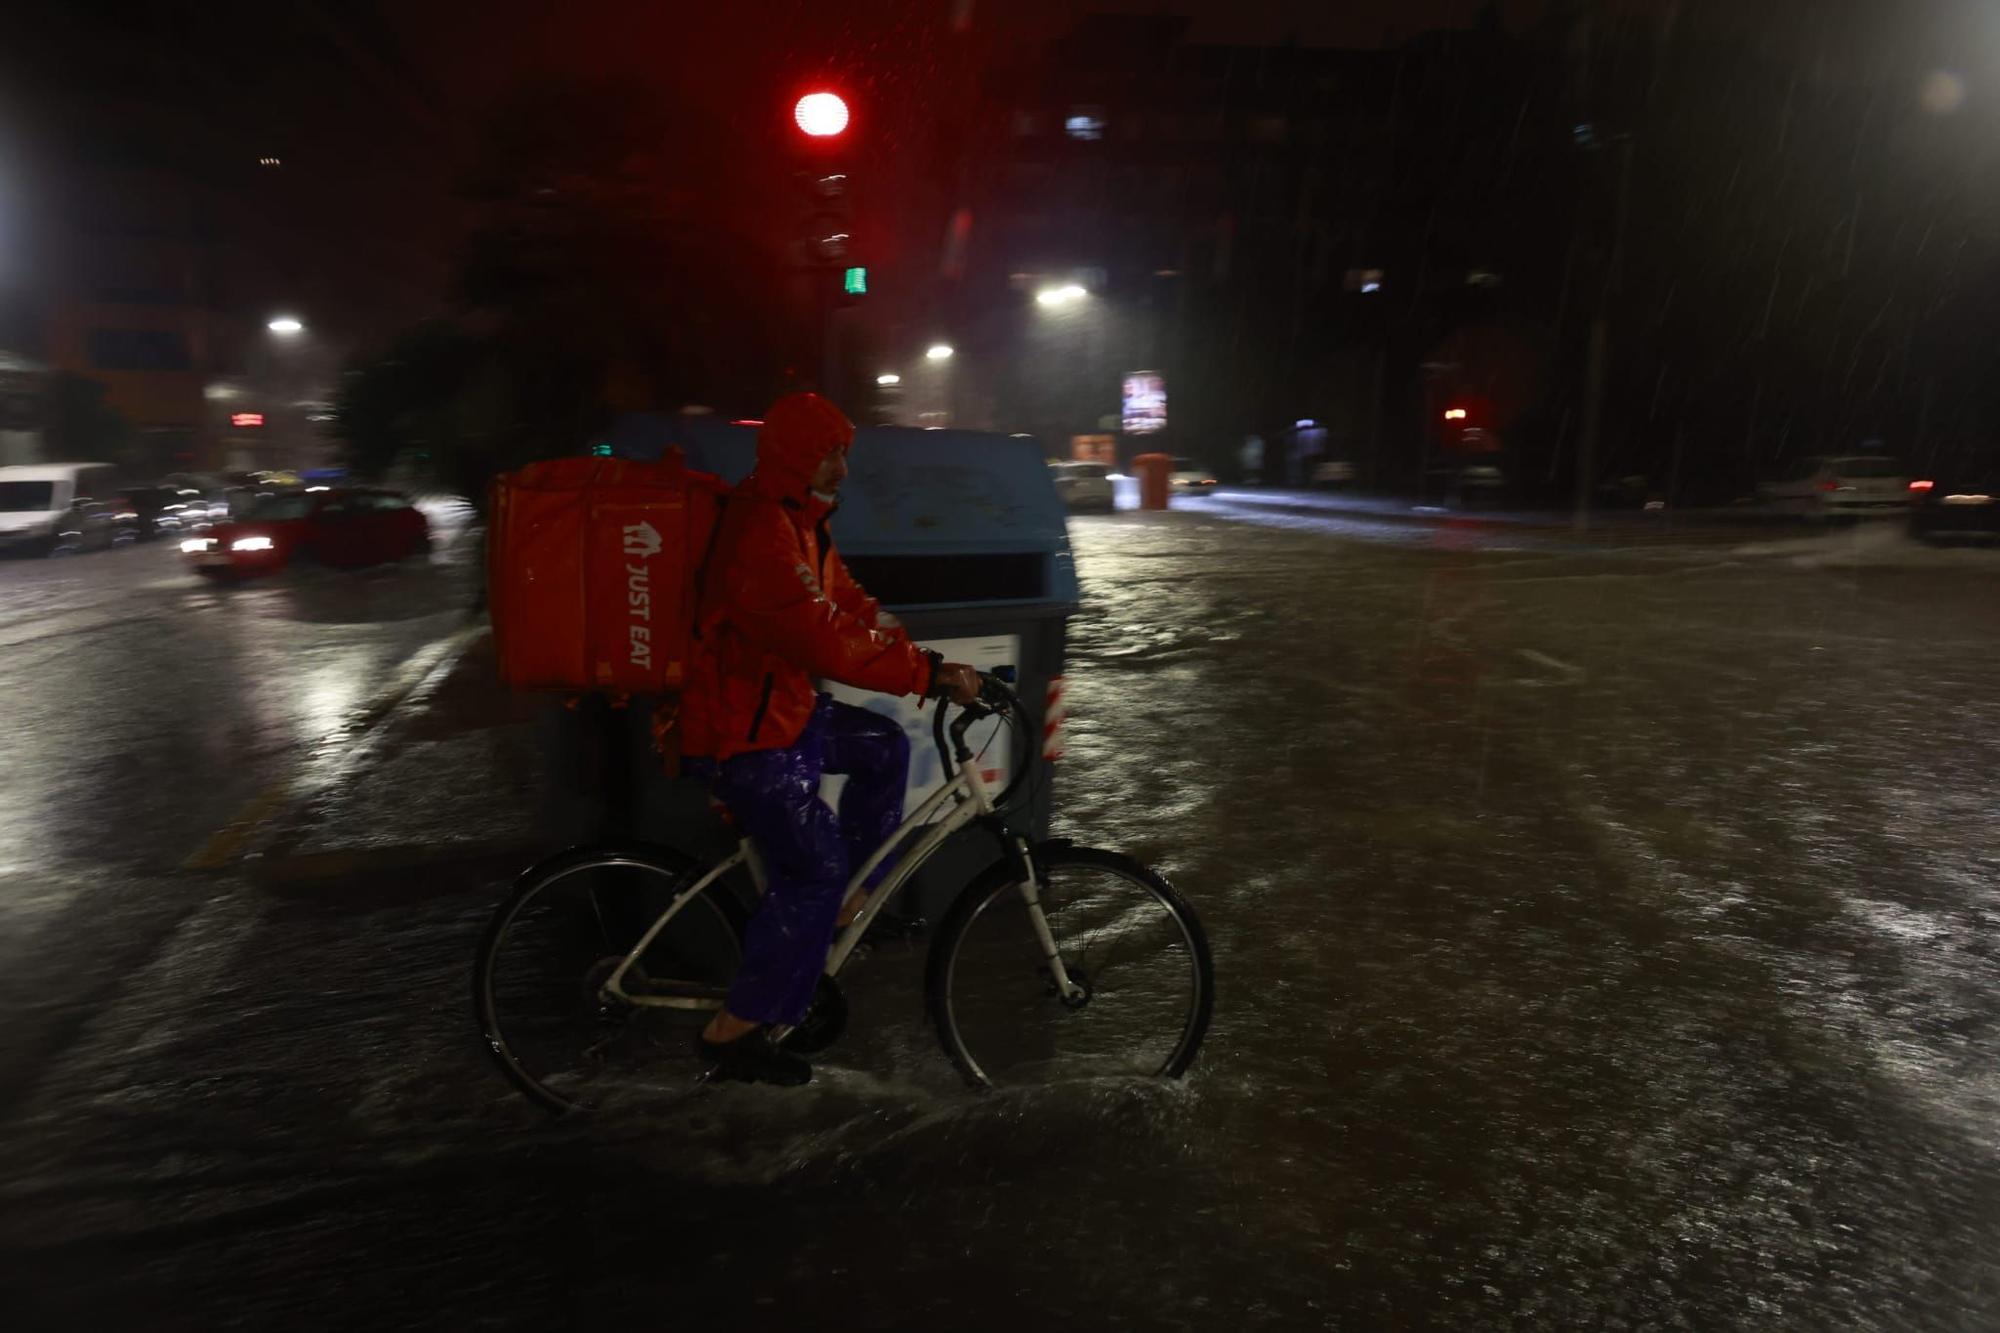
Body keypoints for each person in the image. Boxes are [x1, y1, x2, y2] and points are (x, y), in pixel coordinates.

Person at [679, 392, 979, 1086]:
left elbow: (846, 603)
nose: (841, 467)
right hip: (742, 737)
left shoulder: (800, 522)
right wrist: (925, 675)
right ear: (792, 454)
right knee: (809, 868)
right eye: (828, 452)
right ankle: (737, 1029)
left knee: (883, 747)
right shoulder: (762, 535)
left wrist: (913, 648)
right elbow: (824, 636)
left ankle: (845, 900)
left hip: (780, 713)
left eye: (844, 451)